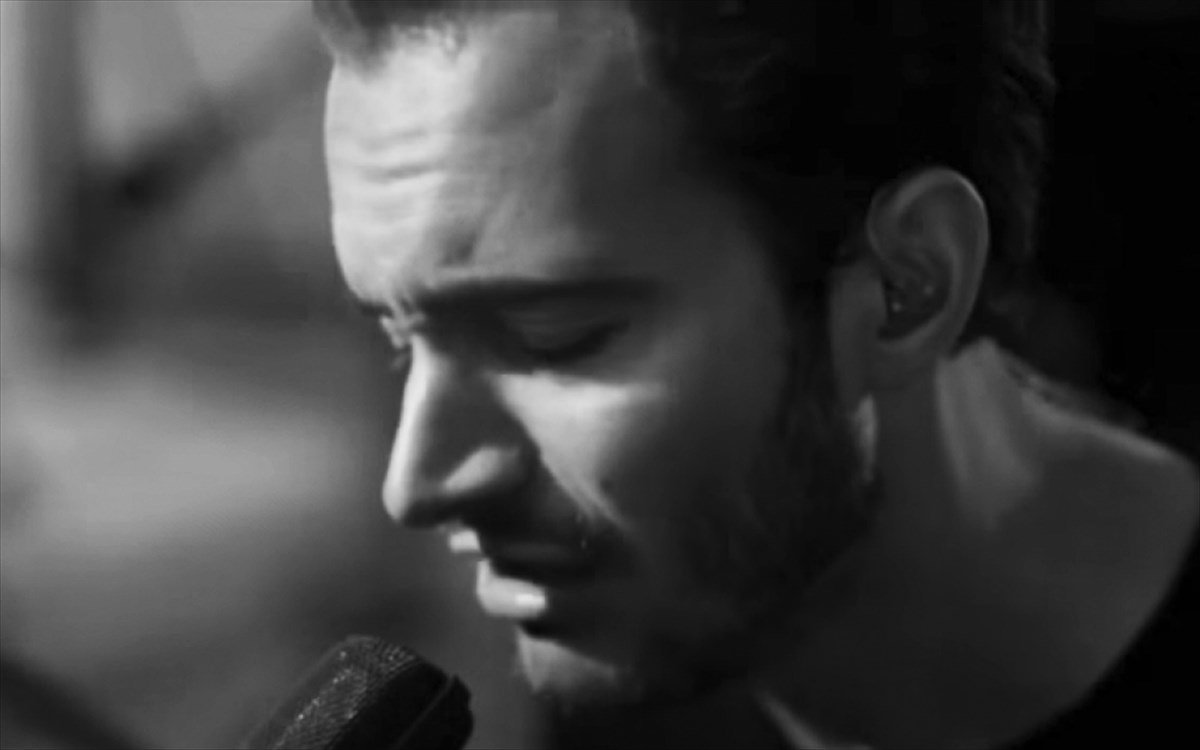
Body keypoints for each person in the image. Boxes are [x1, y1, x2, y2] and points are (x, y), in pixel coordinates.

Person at [310, 1, 1199, 747]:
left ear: (908, 286)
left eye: (554, 337)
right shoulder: (641, 687)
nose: (415, 484)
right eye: (400, 341)